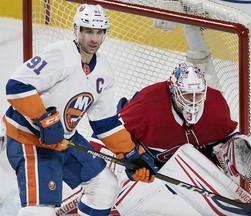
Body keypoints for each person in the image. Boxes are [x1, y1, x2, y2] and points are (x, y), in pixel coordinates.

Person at [2, 4, 157, 216]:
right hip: (28, 138)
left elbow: (105, 123)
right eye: (88, 31)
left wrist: (130, 154)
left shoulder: (104, 72)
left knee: (105, 186)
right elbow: (16, 86)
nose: (94, 39)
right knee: (40, 212)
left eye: (99, 32)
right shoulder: (60, 55)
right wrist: (43, 118)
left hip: (64, 141)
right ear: (78, 31)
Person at [90, 62, 251, 215]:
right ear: (174, 91)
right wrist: (123, 159)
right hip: (143, 161)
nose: (192, 102)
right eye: (186, 95)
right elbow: (108, 132)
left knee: (187, 155)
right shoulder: (148, 104)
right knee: (107, 185)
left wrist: (235, 148)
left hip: (182, 166)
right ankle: (104, 205)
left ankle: (237, 211)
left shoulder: (215, 105)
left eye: (197, 95)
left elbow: (221, 137)